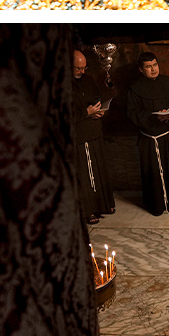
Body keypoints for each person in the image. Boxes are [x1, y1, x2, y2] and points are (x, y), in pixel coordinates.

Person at [125, 51, 169, 215]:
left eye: (155, 65)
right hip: (149, 138)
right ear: (141, 69)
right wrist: (153, 118)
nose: (153, 69)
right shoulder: (134, 89)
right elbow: (132, 113)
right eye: (148, 67)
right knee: (151, 174)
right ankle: (157, 206)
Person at [70, 48, 116, 225]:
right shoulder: (61, 84)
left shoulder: (88, 80)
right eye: (78, 68)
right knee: (85, 174)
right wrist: (86, 112)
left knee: (98, 170)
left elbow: (96, 98)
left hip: (94, 132)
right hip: (79, 135)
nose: (82, 72)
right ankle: (88, 211)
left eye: (84, 68)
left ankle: (104, 205)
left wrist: (98, 110)